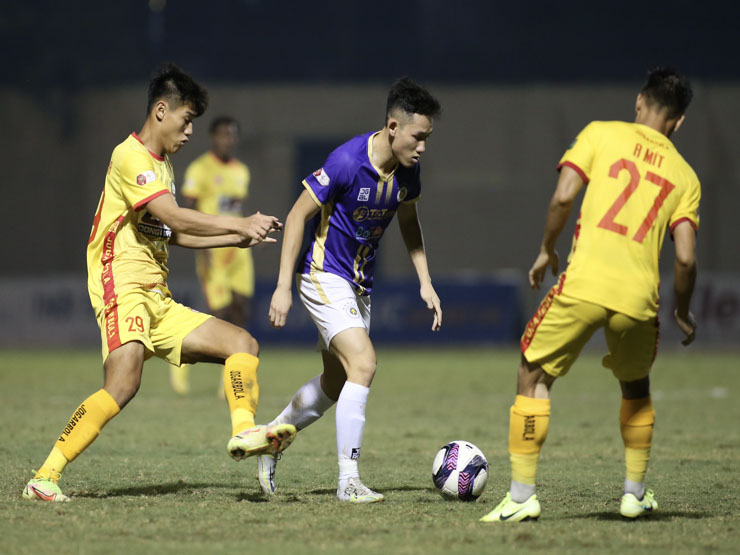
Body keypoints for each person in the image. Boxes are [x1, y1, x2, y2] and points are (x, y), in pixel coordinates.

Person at [22, 64, 296, 503]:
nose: (189, 132)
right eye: (187, 121)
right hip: (122, 285)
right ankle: (44, 476)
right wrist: (238, 221)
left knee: (242, 343)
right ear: (161, 111)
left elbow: (176, 233)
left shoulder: (163, 169)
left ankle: (244, 432)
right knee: (123, 384)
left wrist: (238, 237)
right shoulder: (129, 156)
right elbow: (173, 216)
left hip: (157, 297)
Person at [480, 67, 699, 522]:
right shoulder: (686, 177)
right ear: (679, 122)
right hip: (640, 300)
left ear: (640, 101)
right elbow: (684, 259)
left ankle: (521, 497)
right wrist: (681, 309)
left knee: (532, 373)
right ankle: (633, 493)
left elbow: (563, 197)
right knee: (635, 387)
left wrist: (545, 250)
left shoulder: (601, 134)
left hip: (584, 285)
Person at [260, 77, 443, 503]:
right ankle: (349, 482)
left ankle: (270, 441)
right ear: (393, 127)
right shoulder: (345, 162)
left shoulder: (408, 173)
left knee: (335, 380)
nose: (422, 148)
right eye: (418, 137)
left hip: (360, 286)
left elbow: (409, 222)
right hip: (323, 277)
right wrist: (283, 286)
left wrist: (425, 280)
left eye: (428, 139)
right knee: (364, 362)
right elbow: (297, 213)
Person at [169, 115, 255, 396]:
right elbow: (186, 211)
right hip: (212, 250)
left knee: (240, 309)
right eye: (223, 134)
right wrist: (200, 247)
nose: (227, 140)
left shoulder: (242, 171)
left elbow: (235, 210)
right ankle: (179, 363)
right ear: (213, 137)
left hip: (238, 252)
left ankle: (229, 378)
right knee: (217, 314)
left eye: (232, 135)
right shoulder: (199, 169)